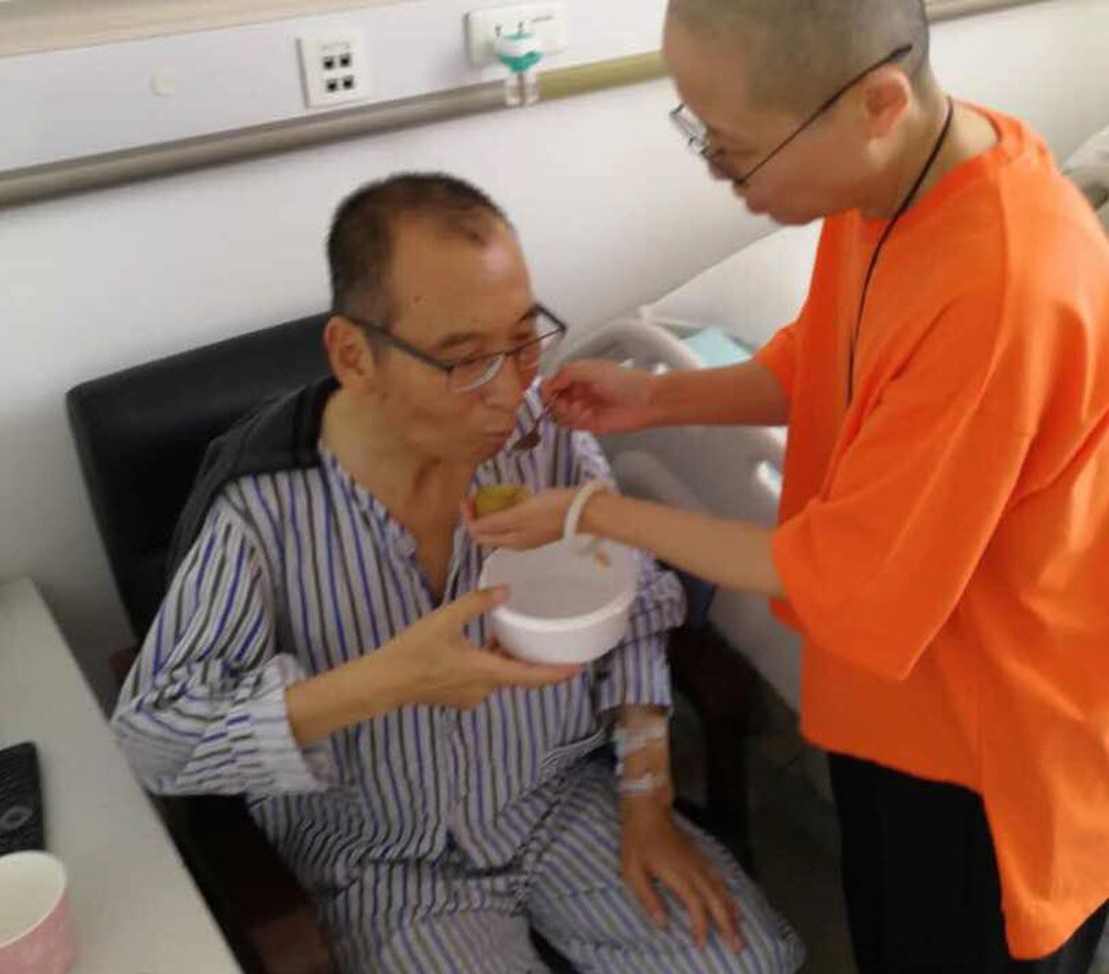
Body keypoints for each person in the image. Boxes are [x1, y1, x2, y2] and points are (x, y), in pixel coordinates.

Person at [466, 2, 1109, 972]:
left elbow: (847, 579)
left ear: (875, 102)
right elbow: (829, 353)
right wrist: (657, 397)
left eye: (735, 151)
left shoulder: (1004, 284)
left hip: (990, 750)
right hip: (892, 700)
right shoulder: (906, 178)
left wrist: (593, 513)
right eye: (702, 140)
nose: (724, 178)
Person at [111, 173, 805, 974]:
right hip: (380, 857)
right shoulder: (259, 509)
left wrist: (647, 802)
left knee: (749, 964)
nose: (511, 391)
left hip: (556, 800)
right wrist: (383, 681)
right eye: (465, 360)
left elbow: (636, 611)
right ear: (352, 355)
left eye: (522, 339)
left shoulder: (541, 434)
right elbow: (153, 739)